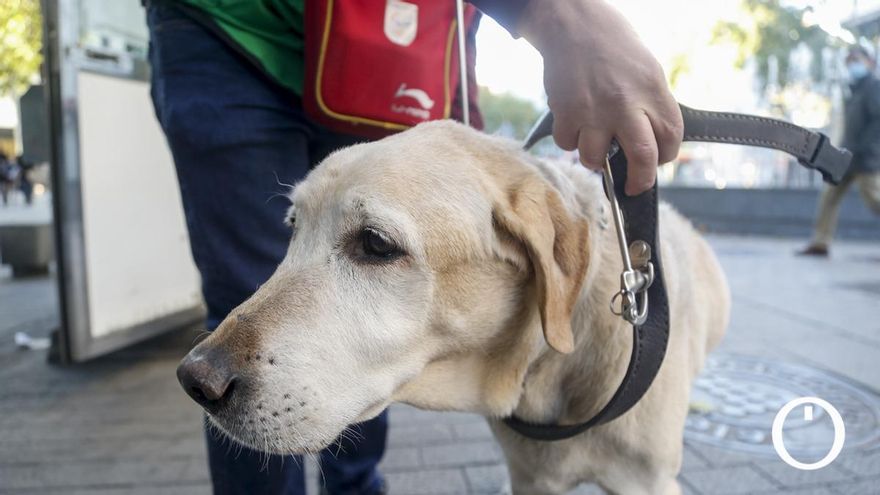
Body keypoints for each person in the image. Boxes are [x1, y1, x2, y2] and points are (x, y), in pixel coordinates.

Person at [145, 0, 682, 493]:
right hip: (225, 28)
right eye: (295, 225)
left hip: (383, 47)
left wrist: (566, 19)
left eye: (374, 245)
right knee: (242, 288)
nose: (205, 372)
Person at [801, 46, 880, 257]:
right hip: (847, 156)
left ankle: (820, 241)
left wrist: (865, 147)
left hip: (866, 158)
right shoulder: (853, 88)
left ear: (870, 62)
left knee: (875, 200)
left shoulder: (874, 86)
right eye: (849, 60)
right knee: (828, 197)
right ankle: (820, 242)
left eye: (857, 59)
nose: (852, 64)